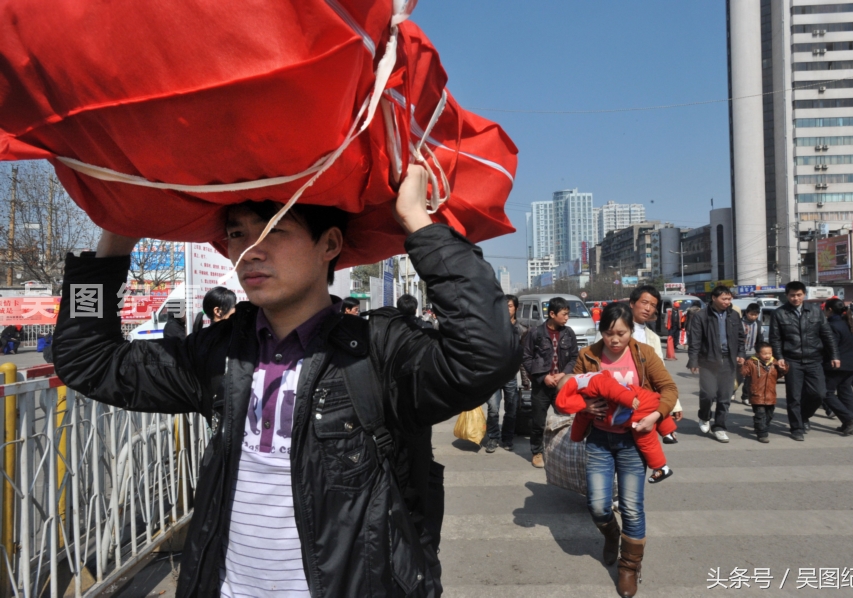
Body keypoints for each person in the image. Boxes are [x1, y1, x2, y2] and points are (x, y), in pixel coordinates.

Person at [52, 166, 521, 597]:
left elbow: (486, 354)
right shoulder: (219, 351)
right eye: (237, 234)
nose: (251, 250)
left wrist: (416, 218)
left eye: (275, 231)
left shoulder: (378, 351)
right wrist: (114, 243)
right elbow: (89, 361)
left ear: (330, 245)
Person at [571, 304, 678, 597]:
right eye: (608, 333)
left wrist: (656, 416)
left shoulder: (643, 354)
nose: (614, 340)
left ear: (631, 330)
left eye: (621, 333)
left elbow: (668, 389)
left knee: (632, 507)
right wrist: (585, 406)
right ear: (601, 331)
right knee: (597, 506)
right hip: (599, 441)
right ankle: (611, 534)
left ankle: (629, 567)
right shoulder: (588, 356)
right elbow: (568, 393)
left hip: (633, 443)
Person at [556, 369, 675, 483]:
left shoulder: (590, 385)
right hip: (641, 399)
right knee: (654, 404)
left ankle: (660, 468)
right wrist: (576, 436)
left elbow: (611, 388)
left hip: (634, 410)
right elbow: (581, 419)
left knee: (646, 441)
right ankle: (669, 433)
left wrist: (628, 399)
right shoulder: (588, 385)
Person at [769, 281, 839, 441]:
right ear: (787, 295)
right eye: (792, 295)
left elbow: (827, 335)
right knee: (794, 396)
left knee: (819, 393)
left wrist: (835, 355)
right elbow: (775, 338)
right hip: (792, 360)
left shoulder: (816, 312)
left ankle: (803, 416)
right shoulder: (779, 313)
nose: (795, 298)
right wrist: (779, 357)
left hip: (814, 359)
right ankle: (796, 428)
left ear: (804, 295)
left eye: (799, 295)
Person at [522, 297, 578, 468]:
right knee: (538, 422)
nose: (567, 318)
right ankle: (537, 452)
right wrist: (543, 376)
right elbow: (526, 357)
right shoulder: (536, 333)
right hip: (541, 386)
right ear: (552, 314)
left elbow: (575, 357)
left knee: (564, 421)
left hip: (562, 386)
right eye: (564, 314)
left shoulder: (568, 333)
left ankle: (560, 451)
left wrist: (563, 374)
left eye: (568, 314)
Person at [687, 285, 746, 443]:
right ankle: (704, 416)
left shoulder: (733, 315)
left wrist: (741, 354)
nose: (727, 301)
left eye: (729, 299)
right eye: (724, 299)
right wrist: (693, 360)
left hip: (728, 361)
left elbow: (741, 337)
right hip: (708, 362)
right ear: (714, 298)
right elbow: (695, 340)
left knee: (725, 397)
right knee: (708, 394)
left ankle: (719, 427)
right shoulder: (701, 316)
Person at [628, 285, 683, 443]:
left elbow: (661, 373)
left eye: (652, 305)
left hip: (643, 402)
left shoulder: (653, 338)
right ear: (632, 303)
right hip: (616, 403)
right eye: (644, 302)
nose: (648, 308)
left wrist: (674, 405)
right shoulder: (612, 331)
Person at [484, 294, 527, 453]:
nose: (506, 309)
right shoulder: (492, 328)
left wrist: (525, 379)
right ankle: (493, 437)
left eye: (509, 306)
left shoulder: (522, 330)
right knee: (493, 408)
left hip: (510, 377)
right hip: (494, 376)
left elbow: (523, 358)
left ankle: (507, 437)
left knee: (511, 408)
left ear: (516, 308)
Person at [822, 299, 853, 436]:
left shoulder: (831, 325)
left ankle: (851, 419)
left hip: (836, 364)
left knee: (825, 393)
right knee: (846, 393)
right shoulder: (848, 323)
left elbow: (830, 346)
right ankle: (850, 425)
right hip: (850, 363)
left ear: (829, 310)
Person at [740, 342, 788, 442]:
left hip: (770, 394)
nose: (767, 356)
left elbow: (780, 374)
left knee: (769, 415)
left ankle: (760, 426)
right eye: (764, 353)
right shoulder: (751, 362)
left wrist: (783, 368)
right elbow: (744, 372)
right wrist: (742, 365)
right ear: (758, 354)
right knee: (760, 414)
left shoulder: (774, 363)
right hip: (756, 394)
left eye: (769, 353)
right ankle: (762, 433)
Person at [735, 303, 762, 405]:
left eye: (756, 314)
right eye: (752, 314)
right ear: (746, 313)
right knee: (739, 375)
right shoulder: (739, 323)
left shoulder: (758, 324)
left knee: (750, 376)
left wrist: (760, 352)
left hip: (752, 353)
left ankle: (745, 396)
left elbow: (760, 339)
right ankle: (732, 391)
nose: (754, 316)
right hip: (740, 353)